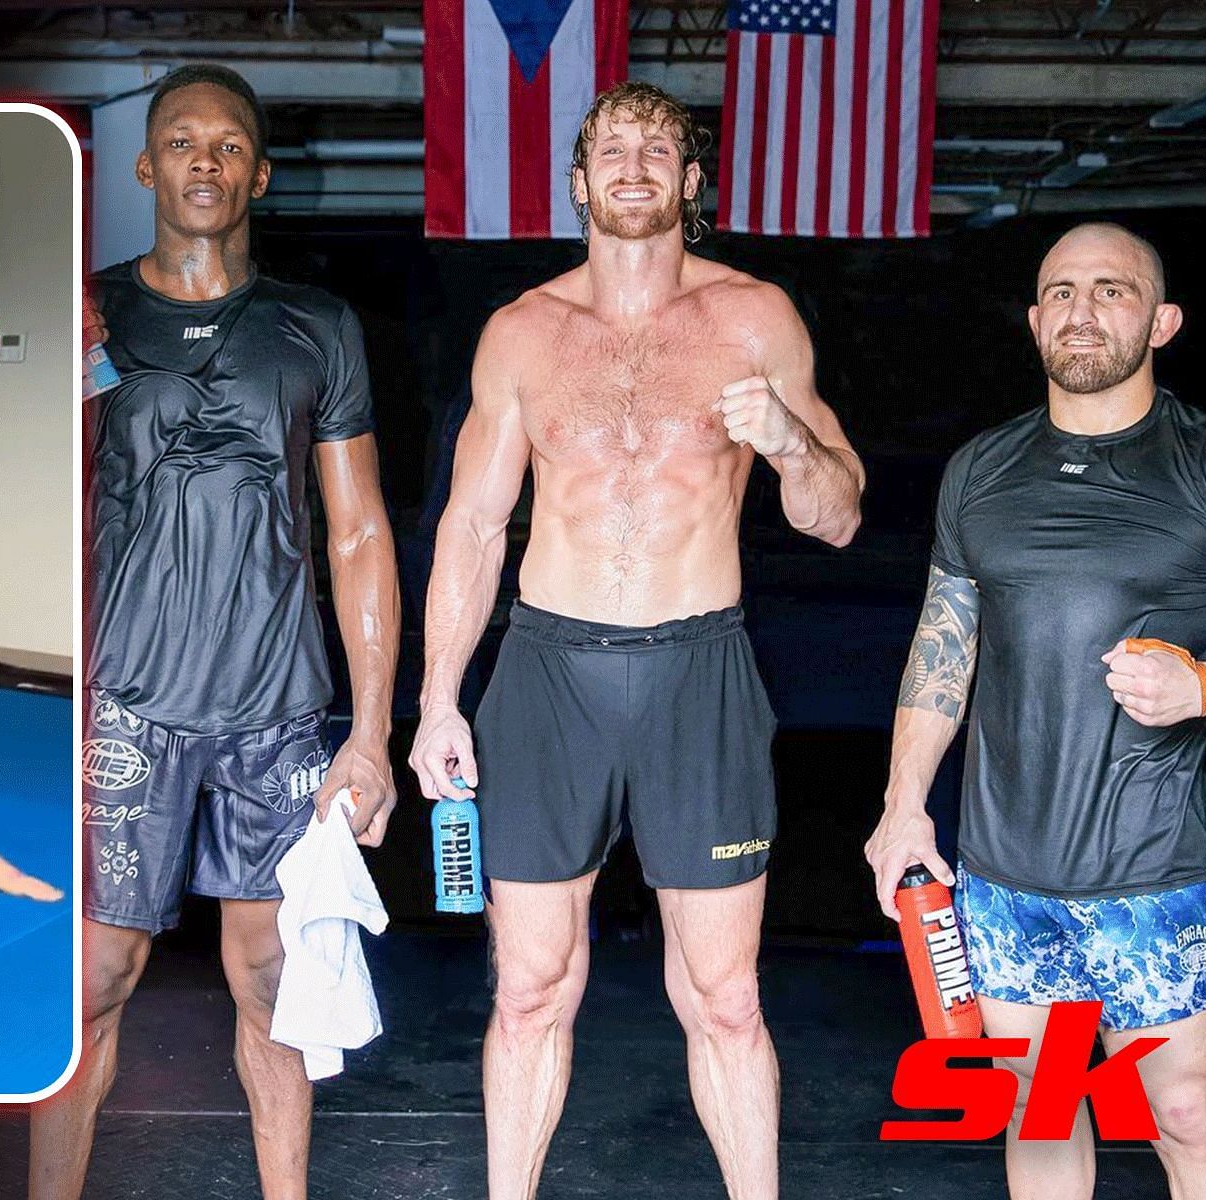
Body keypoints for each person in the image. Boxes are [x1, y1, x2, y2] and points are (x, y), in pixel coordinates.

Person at [409, 82, 863, 1200]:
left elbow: (838, 512)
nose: (634, 163)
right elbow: (471, 525)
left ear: (691, 182)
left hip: (696, 670)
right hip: (546, 675)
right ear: (578, 180)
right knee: (529, 986)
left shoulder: (756, 318)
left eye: (659, 148)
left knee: (724, 995)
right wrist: (434, 702)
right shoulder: (523, 331)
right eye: (612, 146)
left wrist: (791, 442)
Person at [33, 64, 399, 1200]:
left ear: (260, 173)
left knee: (271, 978)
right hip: (125, 703)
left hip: (275, 715)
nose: (205, 159)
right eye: (182, 142)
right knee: (95, 976)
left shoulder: (317, 327)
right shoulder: (90, 312)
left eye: (229, 144)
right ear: (144, 168)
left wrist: (373, 732)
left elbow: (358, 533)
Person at [865, 222, 1206, 1199]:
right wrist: (905, 803)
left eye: (1111, 290)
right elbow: (945, 648)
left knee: (1188, 1109)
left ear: (1162, 321)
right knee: (1038, 1102)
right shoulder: (980, 472)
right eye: (1061, 292)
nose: (1082, 310)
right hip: (1004, 874)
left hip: (1153, 870)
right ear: (1035, 321)